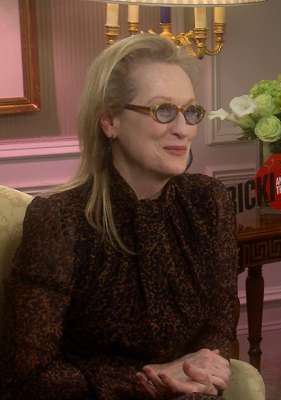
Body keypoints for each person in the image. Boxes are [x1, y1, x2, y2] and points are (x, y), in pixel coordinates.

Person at [0, 34, 239, 399]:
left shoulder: (210, 202)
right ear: (110, 121)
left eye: (191, 111)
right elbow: (29, 375)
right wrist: (148, 381)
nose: (184, 129)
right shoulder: (59, 221)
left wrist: (202, 365)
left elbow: (220, 323)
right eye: (163, 110)